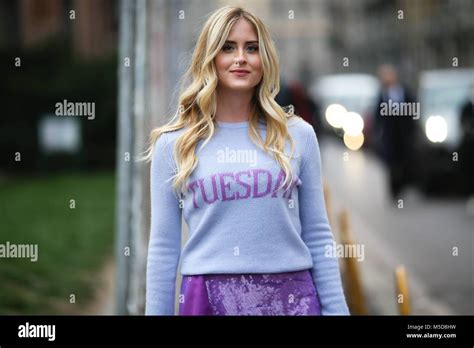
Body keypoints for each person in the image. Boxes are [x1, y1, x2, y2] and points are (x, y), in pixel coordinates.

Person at [143, 6, 349, 316]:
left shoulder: (298, 135)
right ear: (209, 57)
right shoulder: (173, 144)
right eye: (228, 47)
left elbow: (318, 234)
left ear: (264, 59)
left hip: (291, 299)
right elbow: (162, 249)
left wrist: (337, 311)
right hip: (207, 300)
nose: (241, 57)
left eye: (251, 48)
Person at [373, 64, 417, 198]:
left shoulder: (405, 91)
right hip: (390, 136)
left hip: (404, 134)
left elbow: (412, 111)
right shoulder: (382, 95)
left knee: (405, 161)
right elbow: (378, 116)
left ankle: (405, 186)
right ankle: (394, 190)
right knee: (392, 164)